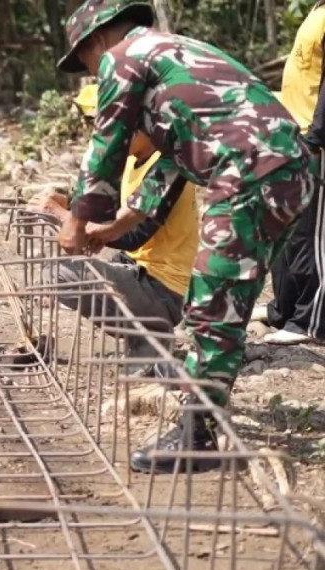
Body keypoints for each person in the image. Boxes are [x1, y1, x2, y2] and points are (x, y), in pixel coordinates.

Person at [56, 0, 314, 473]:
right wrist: (117, 226)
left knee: (211, 306)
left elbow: (107, 144)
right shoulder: (178, 58)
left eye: (86, 64)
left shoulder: (124, 56)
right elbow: (171, 161)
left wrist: (76, 220)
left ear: (97, 40)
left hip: (247, 173)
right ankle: (205, 413)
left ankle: (196, 433)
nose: (93, 73)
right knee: (225, 300)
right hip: (286, 170)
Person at [29, 83, 198, 378]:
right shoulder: (135, 160)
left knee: (60, 273)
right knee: (74, 270)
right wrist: (70, 205)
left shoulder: (168, 167)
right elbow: (112, 212)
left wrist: (63, 216)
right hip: (142, 272)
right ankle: (144, 338)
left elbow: (136, 233)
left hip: (164, 290)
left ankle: (153, 332)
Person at [253, 2, 325, 345]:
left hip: (315, 142)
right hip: (293, 134)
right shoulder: (317, 10)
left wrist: (316, 137)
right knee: (289, 230)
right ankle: (283, 309)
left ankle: (310, 322)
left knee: (313, 236)